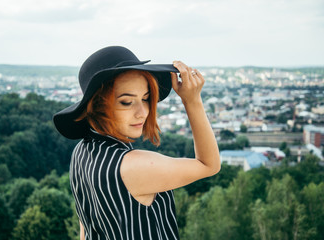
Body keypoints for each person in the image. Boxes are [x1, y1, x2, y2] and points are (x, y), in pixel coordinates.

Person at [53, 46, 220, 240]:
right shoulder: (134, 166)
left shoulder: (81, 153)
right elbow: (209, 165)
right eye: (126, 102)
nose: (143, 112)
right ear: (97, 105)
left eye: (146, 98)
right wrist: (192, 101)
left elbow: (87, 227)